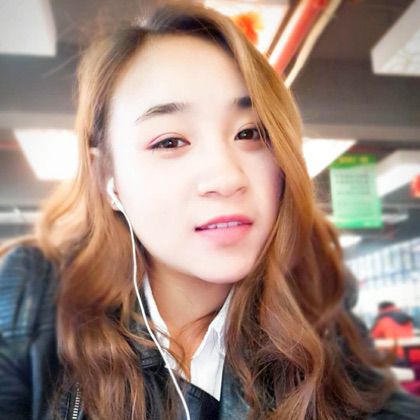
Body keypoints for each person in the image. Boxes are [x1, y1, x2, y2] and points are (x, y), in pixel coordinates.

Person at [1, 2, 419, 419]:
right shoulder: (33, 299)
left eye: (250, 133)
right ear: (106, 178)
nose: (226, 177)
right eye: (169, 142)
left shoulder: (315, 296)